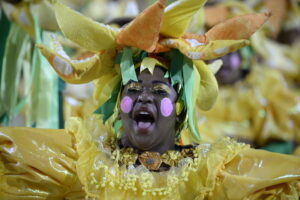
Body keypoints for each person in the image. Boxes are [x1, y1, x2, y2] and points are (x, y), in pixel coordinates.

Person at [1, 0, 300, 199]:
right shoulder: (86, 161)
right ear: (118, 104)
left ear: (180, 108)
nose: (144, 97)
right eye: (132, 90)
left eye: (159, 91)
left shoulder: (212, 172)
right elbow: (12, 155)